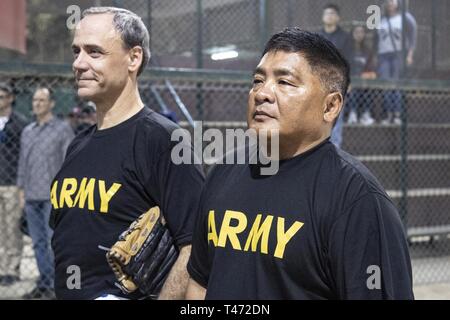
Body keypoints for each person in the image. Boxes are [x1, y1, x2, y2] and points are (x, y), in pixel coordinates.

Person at [186, 28, 414, 300]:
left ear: (330, 107)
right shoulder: (224, 172)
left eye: (284, 82)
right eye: (258, 80)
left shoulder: (357, 200)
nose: (262, 93)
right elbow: (200, 283)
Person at [50, 7, 204, 300]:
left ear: (134, 58)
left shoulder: (165, 141)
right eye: (76, 51)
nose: (79, 63)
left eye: (94, 52)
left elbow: (196, 246)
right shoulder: (78, 145)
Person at [17, 86, 75, 299]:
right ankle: (43, 283)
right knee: (37, 242)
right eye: (34, 101)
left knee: (54, 242)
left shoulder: (62, 129)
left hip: (54, 196)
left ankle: (56, 284)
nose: (37, 104)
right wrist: (20, 191)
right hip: (31, 195)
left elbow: (69, 163)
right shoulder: (28, 131)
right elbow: (22, 163)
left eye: (42, 100)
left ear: (51, 103)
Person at [0, 82, 28, 287]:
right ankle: (2, 267)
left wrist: (21, 186)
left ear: (10, 98)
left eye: (2, 96)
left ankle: (11, 269)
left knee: (12, 228)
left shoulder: (19, 123)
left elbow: (23, 156)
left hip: (11, 182)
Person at [374, 0, 417, 125]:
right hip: (383, 54)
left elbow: (412, 37)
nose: (390, 4)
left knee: (397, 83)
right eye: (387, 2)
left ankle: (397, 114)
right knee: (386, 84)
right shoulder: (380, 19)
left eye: (393, 1)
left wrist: (410, 55)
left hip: (399, 54)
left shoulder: (405, 17)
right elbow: (376, 38)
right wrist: (375, 56)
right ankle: (388, 114)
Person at [319, 3, 353, 148]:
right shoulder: (317, 37)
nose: (329, 16)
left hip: (338, 82)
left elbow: (348, 59)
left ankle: (334, 151)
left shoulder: (345, 37)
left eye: (332, 14)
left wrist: (348, 81)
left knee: (336, 118)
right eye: (327, 13)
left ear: (338, 18)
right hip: (319, 81)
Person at [346, 25, 377, 126]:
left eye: (361, 32)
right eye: (357, 32)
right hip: (350, 82)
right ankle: (353, 114)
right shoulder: (347, 50)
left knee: (371, 89)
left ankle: (365, 115)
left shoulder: (367, 51)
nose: (359, 34)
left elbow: (371, 68)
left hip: (364, 82)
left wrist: (369, 75)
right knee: (353, 89)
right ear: (352, 34)